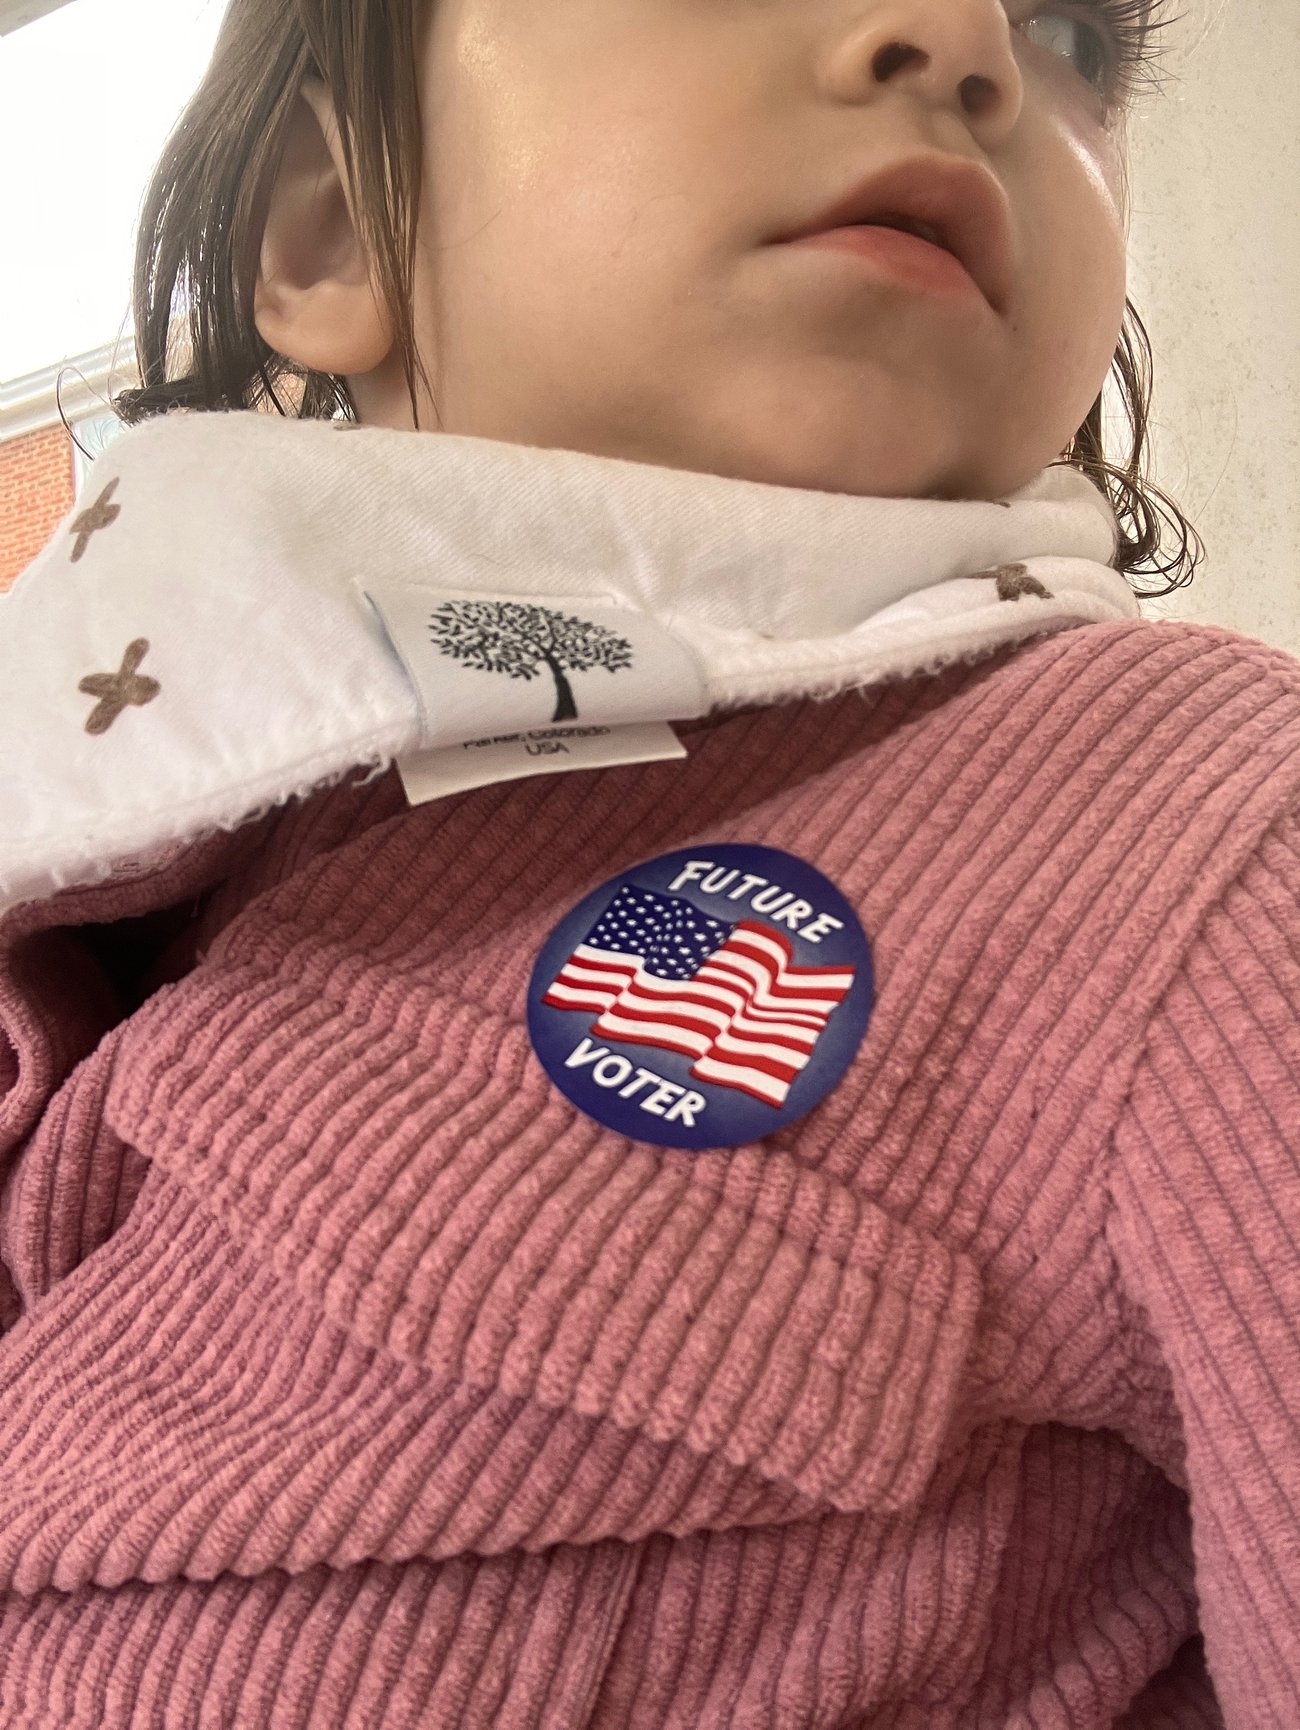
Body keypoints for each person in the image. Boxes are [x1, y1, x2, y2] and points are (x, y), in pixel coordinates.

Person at [0, 0, 1295, 1725]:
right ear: (329, 222)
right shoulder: (167, 826)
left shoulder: (1195, 823)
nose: (963, 37)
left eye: (1069, 24)